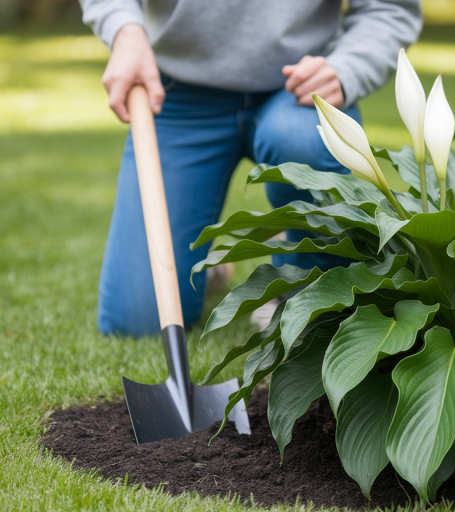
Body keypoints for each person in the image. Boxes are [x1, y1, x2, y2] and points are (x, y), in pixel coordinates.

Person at [78, 0, 422, 337]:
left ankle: (290, 254)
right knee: (137, 323)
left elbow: (389, 7)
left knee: (298, 142)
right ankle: (209, 261)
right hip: (175, 93)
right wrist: (124, 28)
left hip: (298, 90)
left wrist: (347, 68)